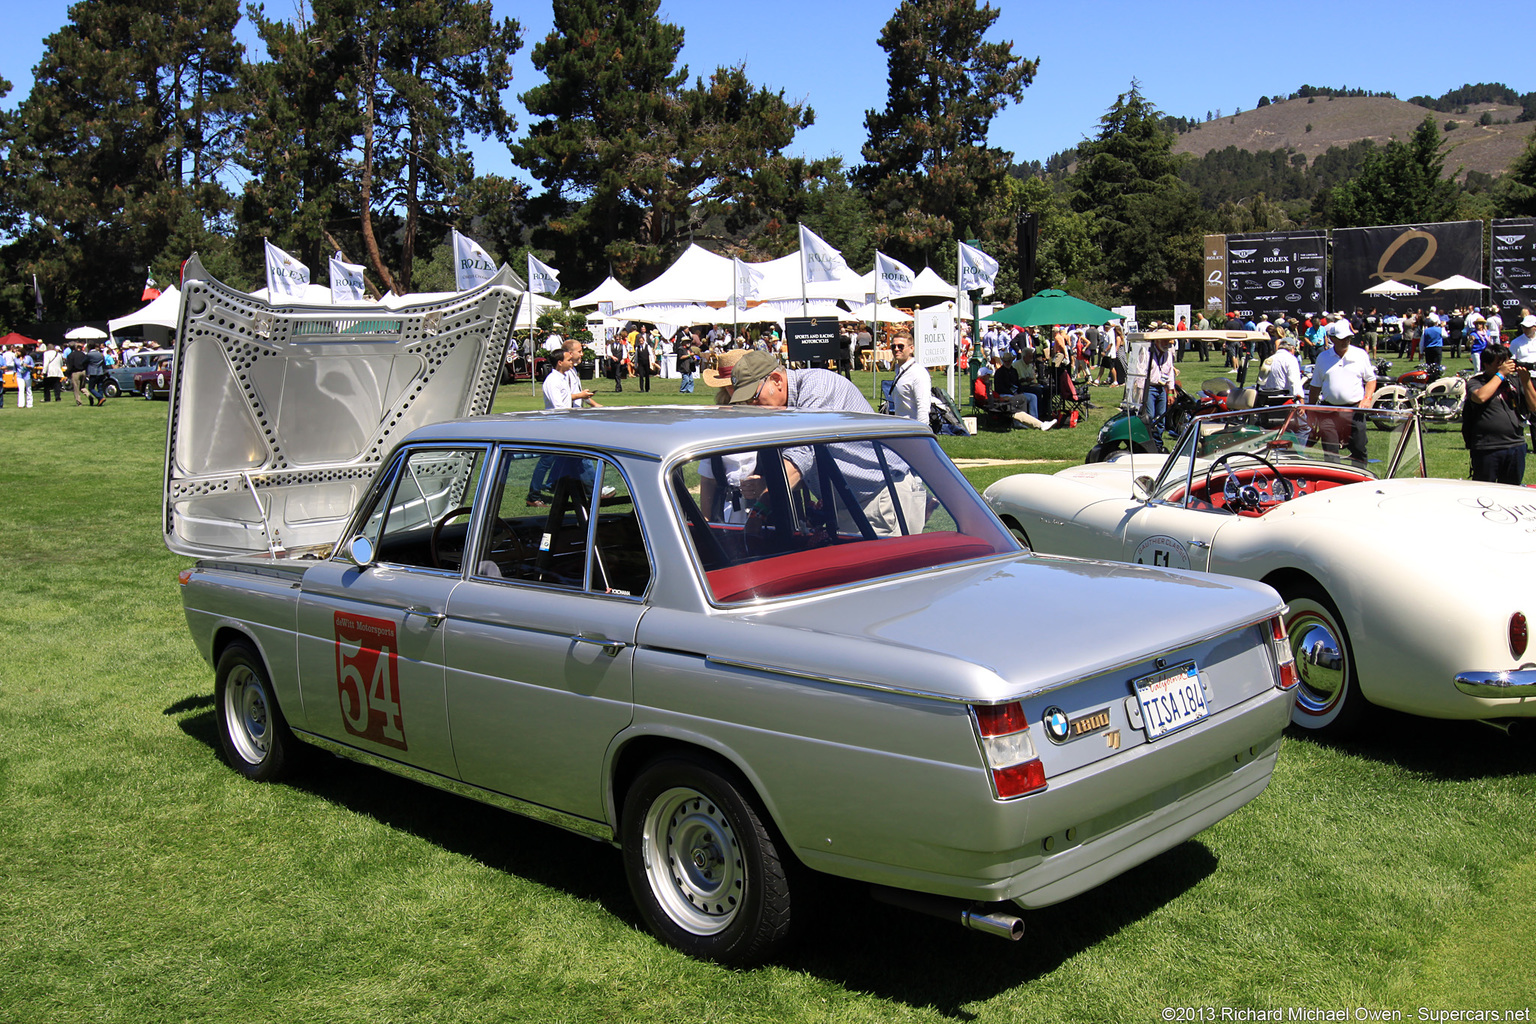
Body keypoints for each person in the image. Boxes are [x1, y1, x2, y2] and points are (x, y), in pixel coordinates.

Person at [726, 351, 925, 537]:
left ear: (777, 380)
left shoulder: (817, 387)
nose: (752, 407)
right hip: (852, 504)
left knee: (885, 574)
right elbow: (813, 464)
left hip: (882, 499)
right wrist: (769, 487)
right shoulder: (783, 408)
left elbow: (803, 452)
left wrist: (762, 502)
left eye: (753, 398)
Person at [1462, 342, 1535, 485]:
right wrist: (1500, 374)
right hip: (1488, 447)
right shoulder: (1477, 381)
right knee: (1484, 491)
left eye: (1507, 362)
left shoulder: (1514, 381)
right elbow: (1480, 397)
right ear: (1487, 364)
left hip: (1515, 445)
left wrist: (1526, 382)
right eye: (1500, 363)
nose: (1506, 366)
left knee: (1511, 490)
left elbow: (1534, 407)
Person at [1307, 320, 1376, 468]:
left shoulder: (1360, 354)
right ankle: (1334, 482)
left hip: (1355, 410)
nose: (1346, 341)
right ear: (1332, 339)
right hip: (1329, 411)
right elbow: (1315, 386)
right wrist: (1311, 410)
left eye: (1348, 338)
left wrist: (1367, 398)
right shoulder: (1323, 358)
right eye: (1342, 338)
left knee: (1359, 448)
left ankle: (1360, 478)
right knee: (1330, 450)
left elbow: (1370, 380)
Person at [886, 333, 931, 427]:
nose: (896, 349)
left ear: (911, 348)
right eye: (893, 346)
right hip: (900, 428)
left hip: (913, 430)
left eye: (901, 346)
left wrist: (921, 434)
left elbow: (923, 407)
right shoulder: (900, 370)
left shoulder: (918, 373)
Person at [1143, 335, 1178, 452]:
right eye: (1163, 341)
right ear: (1156, 341)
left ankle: (1158, 444)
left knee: (1161, 418)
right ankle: (1149, 443)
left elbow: (1170, 374)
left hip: (1161, 388)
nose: (1166, 343)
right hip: (1149, 388)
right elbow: (1141, 371)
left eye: (1168, 341)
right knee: (1150, 417)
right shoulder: (1147, 352)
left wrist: (1171, 392)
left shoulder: (1168, 354)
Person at [1257, 336, 1304, 406]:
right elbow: (1294, 381)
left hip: (1266, 399)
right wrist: (1300, 398)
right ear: (1293, 348)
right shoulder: (1291, 359)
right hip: (1284, 400)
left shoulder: (1269, 359)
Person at [633, 328, 654, 393]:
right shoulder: (638, 348)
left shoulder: (647, 346)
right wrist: (635, 364)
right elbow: (636, 356)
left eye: (642, 341)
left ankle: (647, 388)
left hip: (646, 362)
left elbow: (651, 354)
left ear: (644, 340)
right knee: (641, 376)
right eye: (640, 341)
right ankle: (641, 388)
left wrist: (652, 361)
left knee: (647, 375)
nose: (641, 342)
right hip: (640, 363)